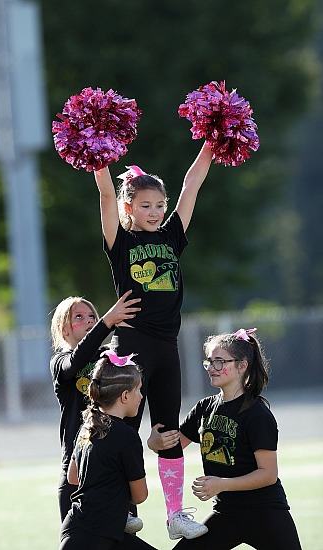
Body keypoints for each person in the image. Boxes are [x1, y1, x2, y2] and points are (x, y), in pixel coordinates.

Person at [94, 142, 212, 540]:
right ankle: (122, 507)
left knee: (167, 430)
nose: (156, 212)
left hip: (167, 345)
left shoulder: (172, 235)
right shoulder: (121, 243)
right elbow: (106, 193)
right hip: (131, 342)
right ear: (130, 208)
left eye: (160, 205)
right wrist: (98, 152)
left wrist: (212, 142)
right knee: (119, 425)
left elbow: (191, 185)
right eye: (146, 205)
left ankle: (176, 515)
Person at [148, 328, 302, 549]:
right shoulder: (204, 408)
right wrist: (154, 443)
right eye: (209, 362)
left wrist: (221, 484)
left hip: (266, 513)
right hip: (225, 513)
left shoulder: (257, 414)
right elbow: (173, 446)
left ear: (242, 365)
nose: (212, 368)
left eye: (220, 362)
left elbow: (268, 474)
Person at [50, 289, 143, 534]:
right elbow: (74, 363)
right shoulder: (60, 362)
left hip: (112, 470)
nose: (89, 320)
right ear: (64, 329)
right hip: (76, 469)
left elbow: (133, 394)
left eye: (92, 316)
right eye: (78, 317)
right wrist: (107, 322)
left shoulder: (109, 359)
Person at [59, 351, 157, 550]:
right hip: (93, 536)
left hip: (87, 529)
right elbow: (139, 496)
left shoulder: (87, 426)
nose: (141, 396)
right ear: (124, 396)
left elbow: (73, 477)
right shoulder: (126, 436)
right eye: (138, 390)